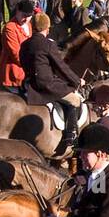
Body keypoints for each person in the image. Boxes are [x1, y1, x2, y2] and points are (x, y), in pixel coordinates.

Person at [20, 11, 84, 149]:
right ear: (47, 28)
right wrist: (77, 81)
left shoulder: (25, 44)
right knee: (75, 100)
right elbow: (61, 67)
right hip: (46, 85)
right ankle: (70, 135)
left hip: (29, 83)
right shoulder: (48, 44)